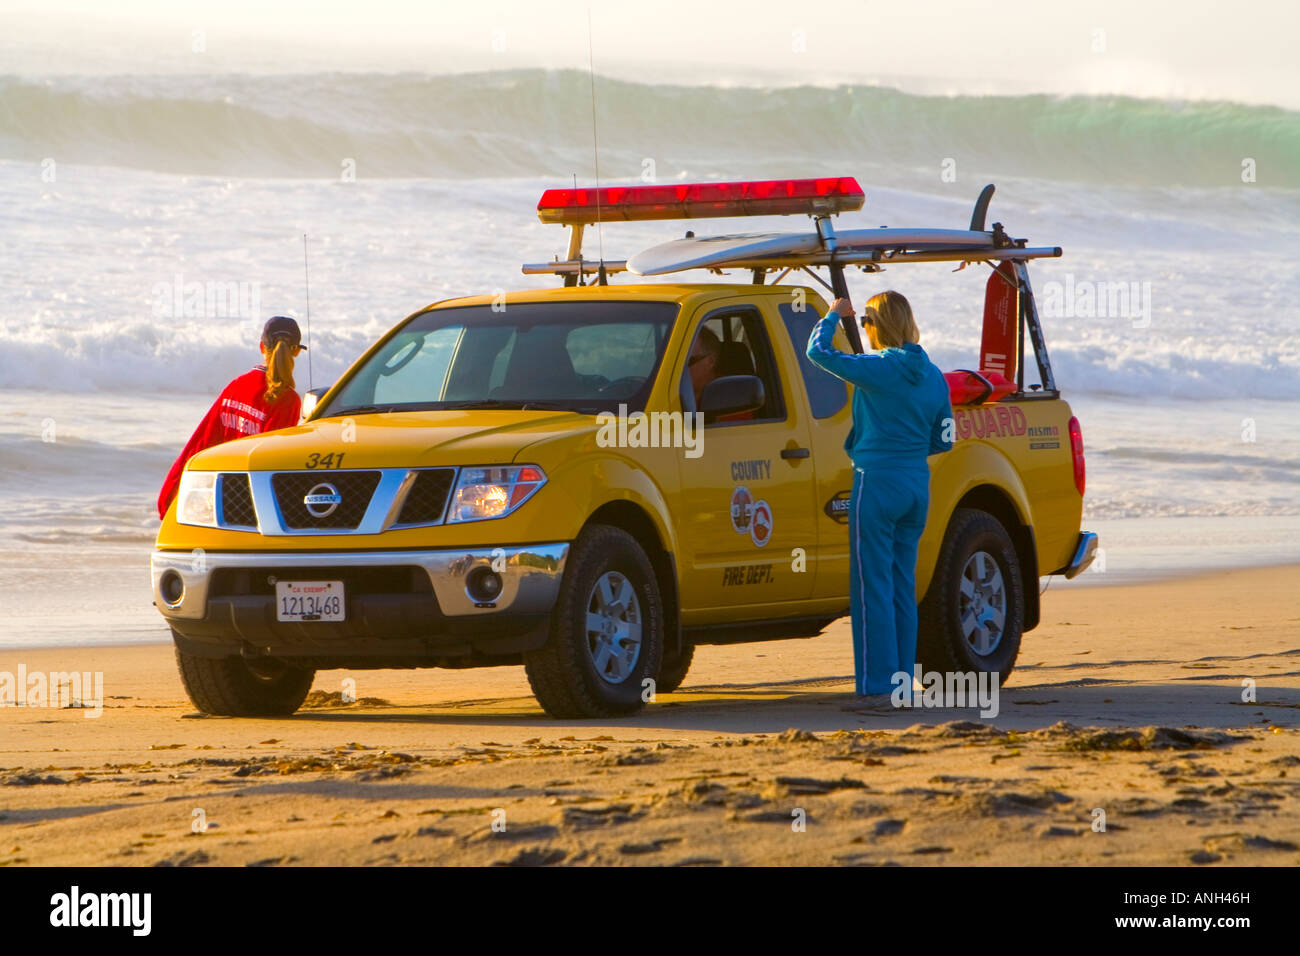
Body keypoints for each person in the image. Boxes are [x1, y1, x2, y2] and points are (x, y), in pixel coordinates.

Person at [806, 291, 954, 698]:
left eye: (867, 322)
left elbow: (819, 354)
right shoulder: (935, 375)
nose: (865, 330)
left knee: (872, 586)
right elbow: (944, 439)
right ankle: (902, 679)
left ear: (878, 326)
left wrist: (833, 317)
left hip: (877, 480)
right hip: (915, 483)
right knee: (901, 584)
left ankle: (876, 683)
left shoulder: (878, 369)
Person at [157, 316, 306, 519]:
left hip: (217, 503)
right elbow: (271, 464)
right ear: (296, 351)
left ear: (262, 347)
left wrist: (168, 496)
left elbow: (200, 442)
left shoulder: (235, 387)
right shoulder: (288, 400)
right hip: (253, 512)